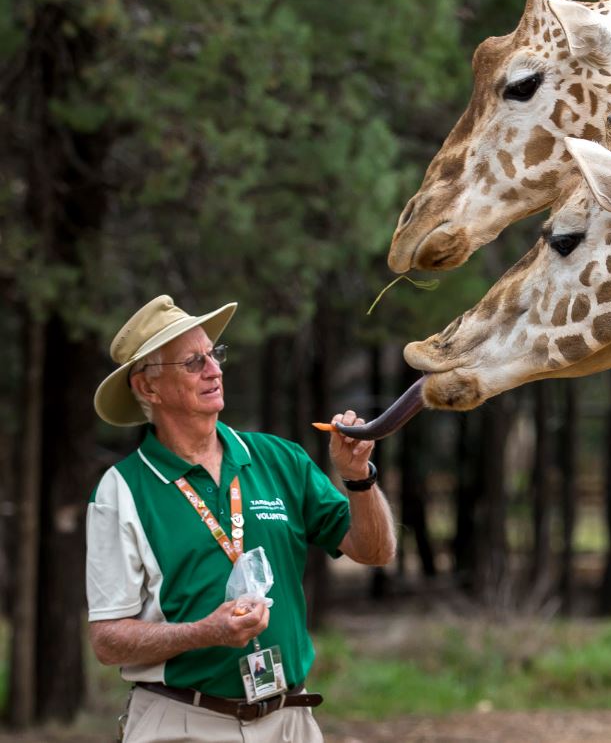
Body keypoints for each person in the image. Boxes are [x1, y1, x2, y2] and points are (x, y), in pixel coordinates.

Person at [87, 295, 396, 742]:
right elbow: (108, 639)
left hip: (290, 721)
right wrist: (203, 633)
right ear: (148, 388)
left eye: (214, 354)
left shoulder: (279, 459)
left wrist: (358, 479)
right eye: (193, 362)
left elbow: (374, 551)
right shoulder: (121, 490)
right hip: (183, 723)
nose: (214, 370)